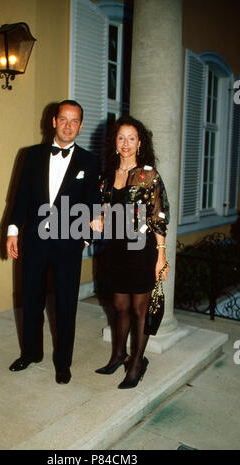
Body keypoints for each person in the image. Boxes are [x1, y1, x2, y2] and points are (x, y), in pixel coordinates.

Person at [6, 100, 99, 384]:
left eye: (75, 121)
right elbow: (20, 196)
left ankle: (63, 363)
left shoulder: (90, 161)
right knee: (30, 299)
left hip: (68, 243)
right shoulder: (31, 155)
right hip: (33, 240)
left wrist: (84, 239)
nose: (69, 125)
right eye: (64, 119)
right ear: (54, 122)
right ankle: (31, 353)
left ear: (80, 125)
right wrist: (12, 231)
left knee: (65, 304)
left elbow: (94, 203)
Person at [95, 115, 170, 389]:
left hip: (142, 250)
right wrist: (97, 220)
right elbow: (104, 212)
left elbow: (159, 216)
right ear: (114, 143)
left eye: (131, 138)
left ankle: (137, 363)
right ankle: (118, 355)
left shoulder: (148, 174)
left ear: (140, 143)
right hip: (115, 250)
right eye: (121, 138)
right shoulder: (107, 176)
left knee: (139, 309)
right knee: (119, 306)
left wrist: (161, 255)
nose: (126, 143)